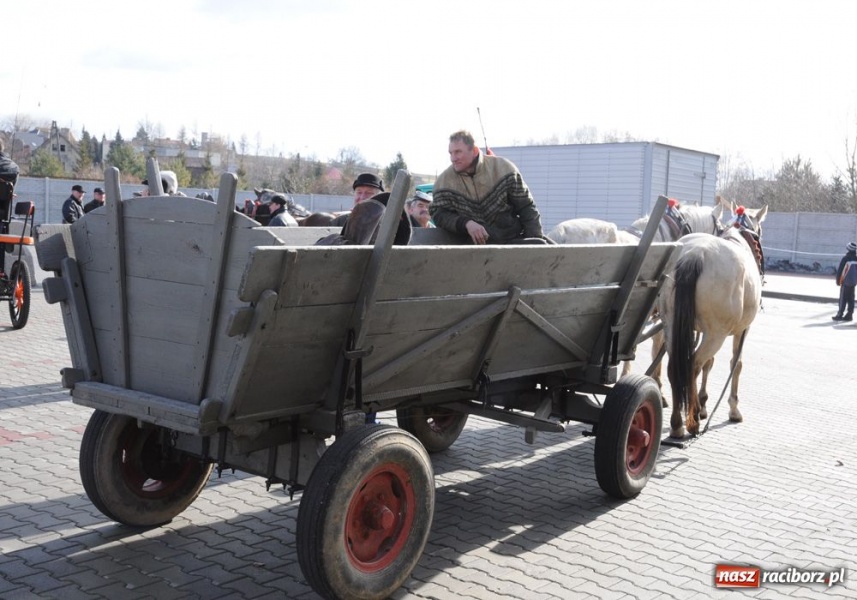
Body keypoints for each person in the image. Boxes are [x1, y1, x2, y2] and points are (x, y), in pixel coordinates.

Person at [430, 129, 544, 244]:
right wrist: (466, 223)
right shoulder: (443, 182)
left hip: (511, 242)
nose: (453, 158)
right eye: (451, 153)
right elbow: (439, 214)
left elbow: (527, 207)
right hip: (470, 248)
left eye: (458, 152)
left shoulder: (504, 169)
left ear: (474, 151)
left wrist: (534, 245)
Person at [832, 241, 857, 321]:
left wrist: (838, 281)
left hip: (845, 282)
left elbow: (840, 270)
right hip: (853, 282)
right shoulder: (856, 258)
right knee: (851, 298)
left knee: (843, 298)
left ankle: (840, 314)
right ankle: (849, 315)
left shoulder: (845, 258)